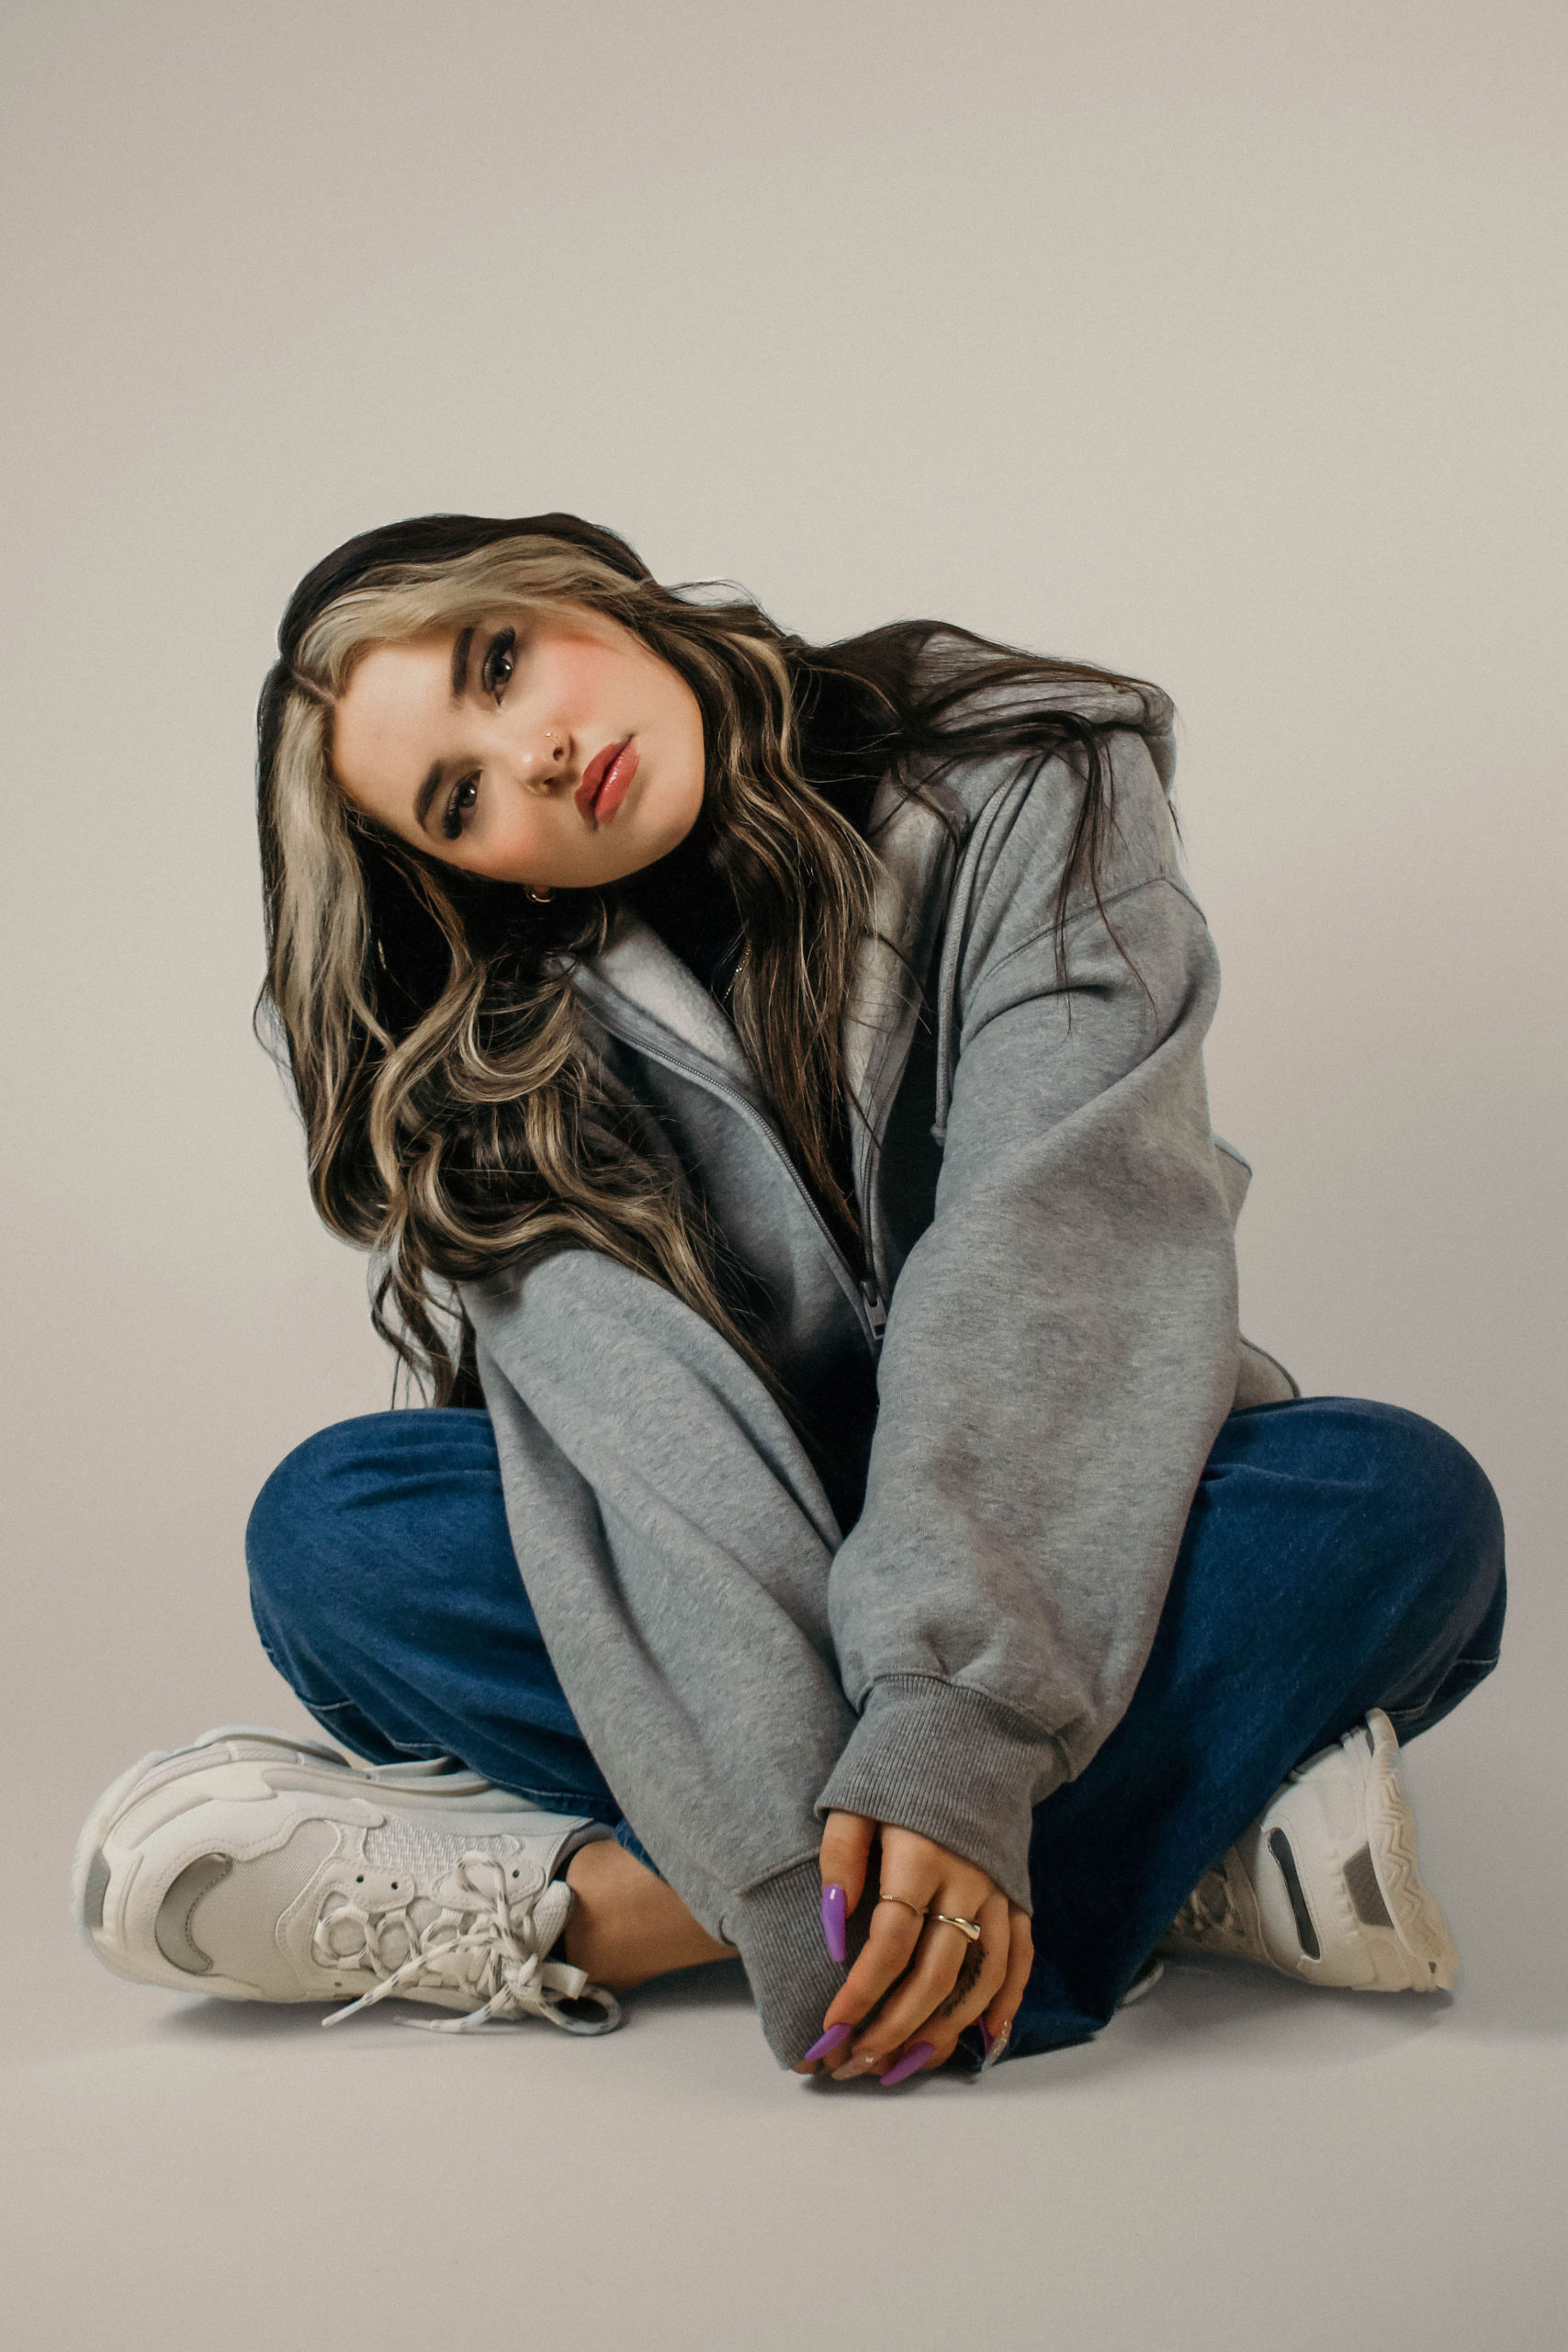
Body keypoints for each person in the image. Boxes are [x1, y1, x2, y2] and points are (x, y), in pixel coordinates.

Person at [72, 512, 1506, 2085]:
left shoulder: (1026, 777)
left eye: (500, 663)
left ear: (580, 587)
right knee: (340, 1533)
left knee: (1398, 1509)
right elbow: (657, 1464)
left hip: (1058, 1502)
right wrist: (801, 1839)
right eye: (460, 799)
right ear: (469, 874)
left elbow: (1060, 1238)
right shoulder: (497, 1057)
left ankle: (597, 1912)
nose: (534, 758)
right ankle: (1147, 1858)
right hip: (723, 1570)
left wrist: (952, 1729)